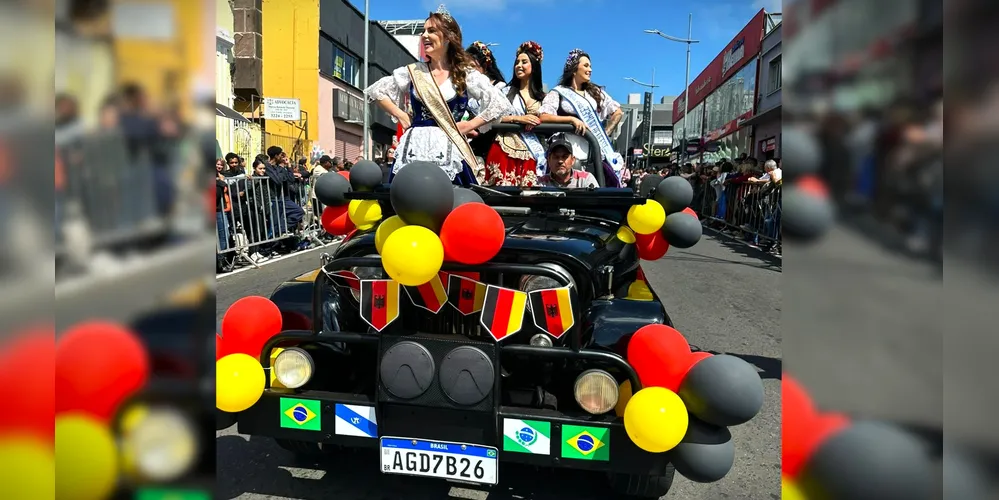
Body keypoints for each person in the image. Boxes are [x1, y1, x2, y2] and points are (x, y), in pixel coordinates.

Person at [365, 5, 512, 185]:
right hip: (414, 146)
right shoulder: (413, 71)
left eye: (432, 31)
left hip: (449, 145)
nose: (424, 35)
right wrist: (401, 115)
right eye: (424, 31)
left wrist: (470, 124)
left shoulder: (464, 74)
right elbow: (377, 91)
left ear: (449, 37)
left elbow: (499, 103)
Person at [538, 48, 624, 187]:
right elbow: (543, 116)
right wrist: (571, 120)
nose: (590, 69)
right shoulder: (559, 92)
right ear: (574, 69)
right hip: (565, 152)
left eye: (590, 66)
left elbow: (617, 112)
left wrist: (605, 133)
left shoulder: (595, 92)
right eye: (586, 65)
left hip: (593, 155)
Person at [482, 41, 549, 187]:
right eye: (517, 62)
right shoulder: (505, 92)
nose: (519, 65)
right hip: (504, 149)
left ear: (534, 66)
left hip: (532, 153)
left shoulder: (544, 98)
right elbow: (490, 117)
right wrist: (518, 118)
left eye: (524, 62)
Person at [465, 41, 508, 160]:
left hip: (489, 143)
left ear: (484, 66)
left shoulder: (499, 88)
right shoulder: (463, 89)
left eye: (472, 66)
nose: (468, 71)